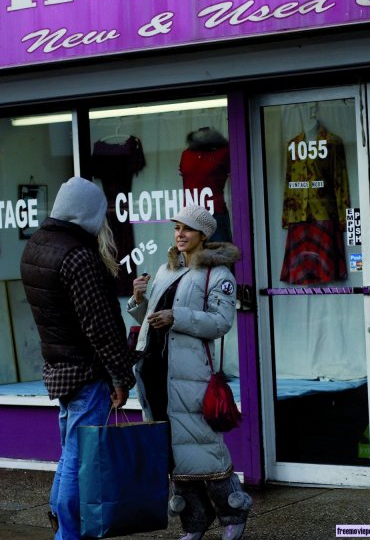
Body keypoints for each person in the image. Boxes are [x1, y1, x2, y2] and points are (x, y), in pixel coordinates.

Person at [127, 204, 252, 540]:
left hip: (190, 373)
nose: (179, 235)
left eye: (187, 229)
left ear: (203, 235)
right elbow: (150, 321)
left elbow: (221, 322)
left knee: (204, 446)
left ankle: (233, 513)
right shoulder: (166, 269)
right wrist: (139, 299)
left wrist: (177, 317)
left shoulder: (217, 273)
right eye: (176, 228)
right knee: (173, 451)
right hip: (155, 371)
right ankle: (194, 522)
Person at [20, 176, 135, 540]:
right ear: (87, 214)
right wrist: (121, 377)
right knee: (80, 460)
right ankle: (69, 533)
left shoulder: (37, 245)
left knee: (69, 454)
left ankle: (60, 521)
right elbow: (101, 327)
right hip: (86, 373)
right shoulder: (78, 257)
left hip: (59, 368)